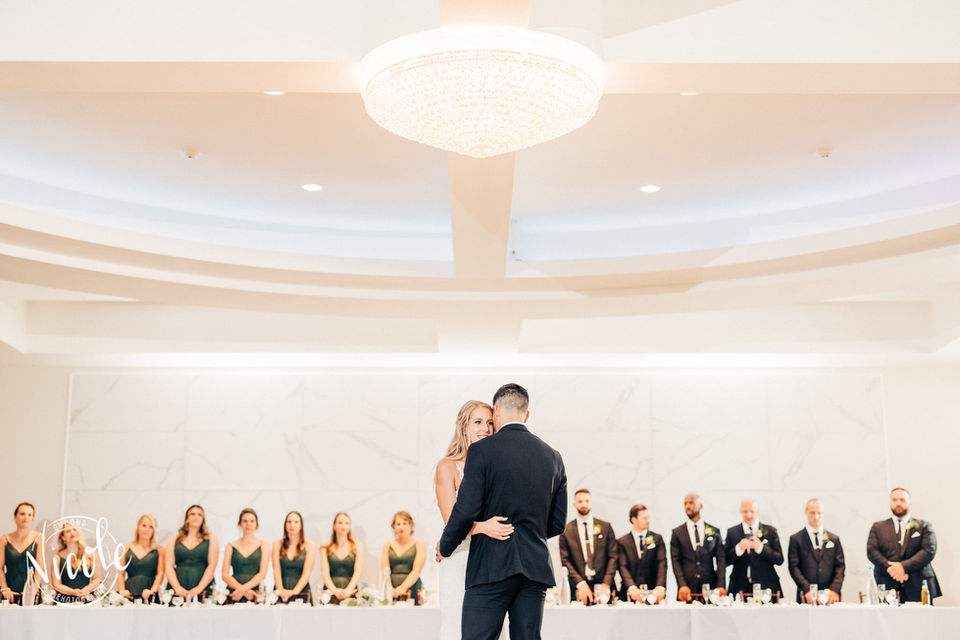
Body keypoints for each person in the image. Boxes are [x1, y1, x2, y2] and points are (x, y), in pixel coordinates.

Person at [439, 383, 567, 640]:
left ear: (496, 411)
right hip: (535, 568)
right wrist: (526, 532)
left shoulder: (482, 451)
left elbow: (465, 511)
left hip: (491, 566)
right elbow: (557, 523)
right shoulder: (553, 456)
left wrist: (445, 547)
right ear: (526, 414)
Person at [435, 400, 515, 640]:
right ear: (464, 426)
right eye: (478, 422)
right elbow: (451, 520)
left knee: (494, 629)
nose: (485, 428)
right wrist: (484, 527)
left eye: (490, 423)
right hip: (460, 556)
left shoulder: (499, 466)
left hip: (493, 557)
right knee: (457, 624)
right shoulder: (447, 467)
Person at [867, 487, 941, 602]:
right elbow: (872, 551)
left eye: (902, 500)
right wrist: (892, 569)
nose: (898, 503)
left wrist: (903, 567)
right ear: (890, 503)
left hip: (918, 583)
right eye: (894, 500)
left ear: (909, 503)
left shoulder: (924, 526)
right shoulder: (878, 527)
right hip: (887, 583)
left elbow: (929, 550)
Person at [559, 489, 617, 604]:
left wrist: (606, 583)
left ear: (591, 503)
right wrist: (580, 584)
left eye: (587, 501)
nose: (584, 504)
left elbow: (613, 556)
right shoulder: (566, 531)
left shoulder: (605, 527)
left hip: (603, 586)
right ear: (574, 504)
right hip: (578, 586)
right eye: (580, 501)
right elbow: (565, 560)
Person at [669, 494, 726, 602]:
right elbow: (675, 561)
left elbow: (721, 560)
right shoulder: (677, 533)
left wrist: (721, 585)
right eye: (685, 504)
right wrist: (682, 585)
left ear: (700, 506)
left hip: (710, 587)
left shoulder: (714, 531)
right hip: (687, 588)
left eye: (691, 503)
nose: (687, 506)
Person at [787, 498, 844, 604]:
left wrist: (834, 589)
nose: (816, 516)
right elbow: (793, 567)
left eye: (819, 513)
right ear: (806, 512)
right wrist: (807, 589)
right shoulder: (796, 539)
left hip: (830, 596)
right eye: (812, 513)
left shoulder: (834, 539)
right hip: (806, 596)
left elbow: (840, 566)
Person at [725, 498, 783, 599]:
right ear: (740, 511)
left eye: (752, 511)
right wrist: (739, 548)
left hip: (766, 586)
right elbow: (725, 561)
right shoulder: (732, 532)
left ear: (758, 511)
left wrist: (761, 548)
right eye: (745, 511)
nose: (749, 515)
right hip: (739, 587)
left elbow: (779, 559)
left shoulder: (770, 531)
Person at [164, 504, 219, 601]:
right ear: (187, 518)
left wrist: (198, 589)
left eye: (199, 514)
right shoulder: (175, 539)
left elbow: (212, 565)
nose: (196, 517)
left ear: (203, 519)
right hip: (178, 587)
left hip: (203, 587)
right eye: (192, 514)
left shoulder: (211, 538)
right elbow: (168, 565)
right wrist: (177, 588)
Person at [617, 504, 666, 602]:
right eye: (644, 518)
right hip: (629, 594)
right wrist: (632, 587)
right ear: (634, 520)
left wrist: (660, 587)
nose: (648, 520)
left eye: (648, 517)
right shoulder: (622, 542)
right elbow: (622, 566)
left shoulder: (657, 539)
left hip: (653, 593)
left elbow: (662, 563)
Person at [222, 508, 270, 603]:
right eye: (245, 521)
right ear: (240, 524)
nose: (248, 524)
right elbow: (225, 575)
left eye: (252, 521)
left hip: (255, 591)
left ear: (256, 524)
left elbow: (262, 574)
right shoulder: (230, 546)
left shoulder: (264, 545)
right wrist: (241, 590)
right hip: (234, 591)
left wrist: (243, 590)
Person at [0, 502, 43, 605]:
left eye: (29, 515)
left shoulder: (39, 538)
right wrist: (5, 588)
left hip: (31, 589)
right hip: (9, 590)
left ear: (32, 518)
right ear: (15, 517)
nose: (26, 517)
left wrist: (34, 589)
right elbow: (0, 567)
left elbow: (40, 566)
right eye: (22, 514)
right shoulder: (5, 539)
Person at [116, 514, 165, 603]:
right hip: (129, 592)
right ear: (138, 527)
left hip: (149, 593)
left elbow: (160, 573)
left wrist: (152, 591)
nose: (146, 529)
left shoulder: (160, 550)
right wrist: (122, 591)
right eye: (144, 525)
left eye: (150, 527)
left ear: (154, 530)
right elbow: (120, 573)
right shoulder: (126, 548)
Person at [50, 521, 103, 604]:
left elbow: (97, 579)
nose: (72, 532)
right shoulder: (56, 558)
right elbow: (56, 584)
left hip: (85, 599)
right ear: (63, 537)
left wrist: (86, 590)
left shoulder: (91, 554)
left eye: (74, 529)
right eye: (68, 531)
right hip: (63, 602)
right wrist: (73, 592)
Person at [381, 511, 426, 604]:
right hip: (392, 589)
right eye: (398, 524)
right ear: (394, 527)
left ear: (411, 525)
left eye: (405, 523)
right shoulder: (387, 545)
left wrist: (403, 588)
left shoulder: (419, 544)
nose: (401, 527)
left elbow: (417, 570)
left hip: (412, 587)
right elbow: (385, 570)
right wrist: (389, 589)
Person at [272, 510, 315, 604]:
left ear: (301, 525)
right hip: (281, 590)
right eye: (289, 522)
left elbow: (307, 573)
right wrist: (281, 591)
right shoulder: (277, 544)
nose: (292, 525)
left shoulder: (310, 545)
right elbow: (276, 570)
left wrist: (294, 592)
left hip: (301, 591)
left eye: (296, 522)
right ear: (285, 524)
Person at [320, 512, 364, 604]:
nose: (343, 526)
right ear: (334, 526)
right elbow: (325, 573)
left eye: (347, 523)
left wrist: (348, 590)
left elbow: (358, 571)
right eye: (340, 523)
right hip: (330, 592)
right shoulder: (325, 548)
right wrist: (334, 590)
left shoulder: (358, 546)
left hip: (351, 592)